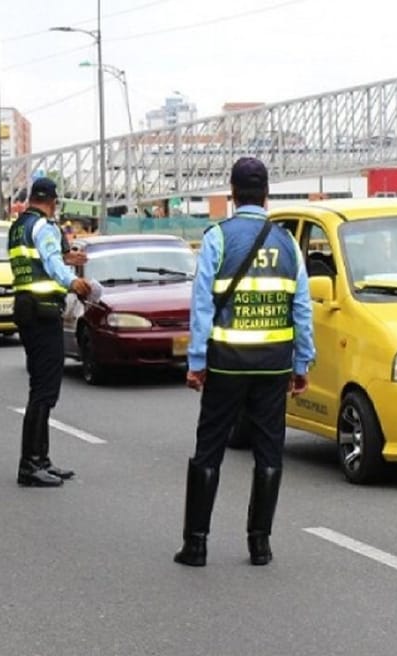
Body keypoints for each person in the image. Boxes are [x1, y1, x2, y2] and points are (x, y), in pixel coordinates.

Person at [174, 157, 315, 568]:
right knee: (269, 452)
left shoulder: (217, 237)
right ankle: (260, 545)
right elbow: (301, 308)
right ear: (267, 194)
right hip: (273, 366)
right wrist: (302, 364)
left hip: (226, 364)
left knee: (209, 450)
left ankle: (196, 545)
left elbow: (201, 306)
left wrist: (197, 362)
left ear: (232, 195)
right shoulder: (288, 243)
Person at [8, 177, 91, 488]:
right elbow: (52, 262)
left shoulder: (19, 226)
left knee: (40, 387)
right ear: (53, 201)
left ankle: (40, 459)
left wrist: (68, 260)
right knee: (43, 390)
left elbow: (40, 260)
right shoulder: (43, 226)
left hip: (27, 308)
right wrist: (73, 281)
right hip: (42, 312)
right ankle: (30, 465)